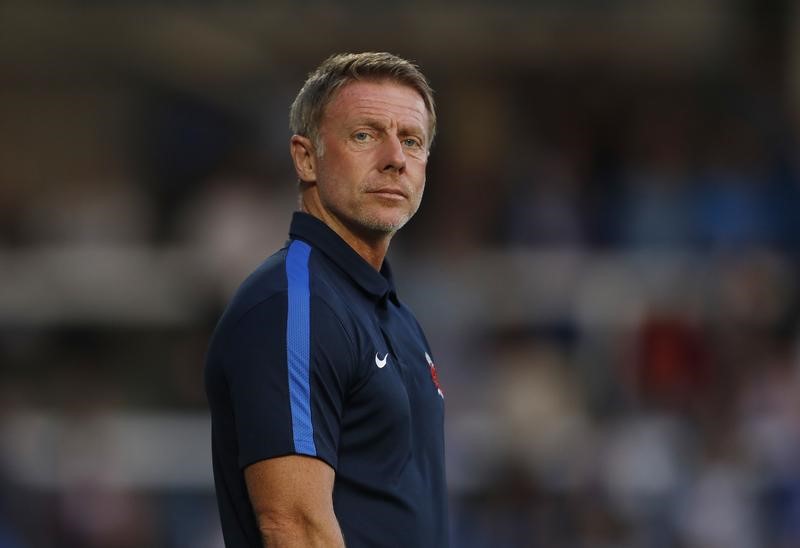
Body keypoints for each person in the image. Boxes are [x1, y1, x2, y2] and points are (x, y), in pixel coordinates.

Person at [205, 52, 448, 547]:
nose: (394, 158)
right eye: (364, 135)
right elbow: (294, 528)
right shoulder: (290, 307)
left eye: (411, 141)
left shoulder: (391, 314)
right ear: (304, 157)